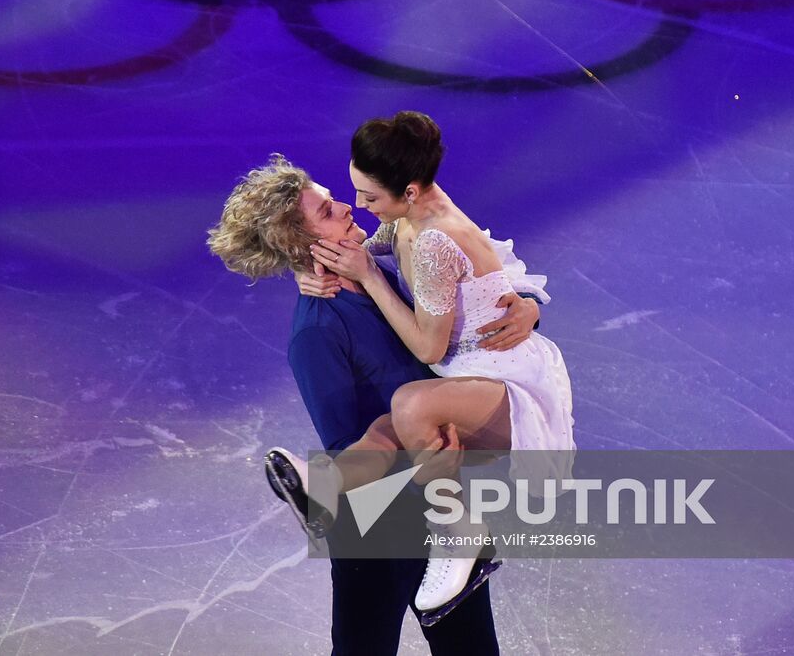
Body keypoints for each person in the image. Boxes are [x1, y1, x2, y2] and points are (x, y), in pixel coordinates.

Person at [207, 152, 545, 654]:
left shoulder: (385, 268)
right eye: (326, 211)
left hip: (438, 499)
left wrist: (528, 310)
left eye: (333, 198)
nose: (347, 207)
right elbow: (346, 443)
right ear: (305, 244)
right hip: (377, 525)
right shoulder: (317, 333)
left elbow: (474, 303)